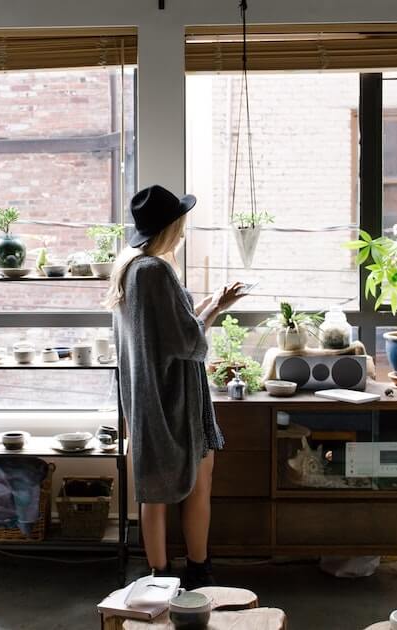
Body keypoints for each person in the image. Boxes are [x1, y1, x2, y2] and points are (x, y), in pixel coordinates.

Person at [105, 185, 245, 589]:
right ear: (170, 227)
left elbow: (168, 329)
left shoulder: (130, 269)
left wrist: (207, 305)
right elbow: (188, 342)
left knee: (152, 491)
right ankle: (198, 571)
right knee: (199, 484)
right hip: (175, 400)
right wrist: (217, 309)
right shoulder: (157, 271)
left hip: (147, 400)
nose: (183, 232)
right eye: (180, 225)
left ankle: (159, 577)